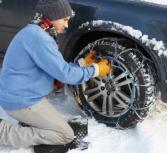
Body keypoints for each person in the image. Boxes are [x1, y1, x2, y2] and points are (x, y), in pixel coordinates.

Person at [0, 0, 111, 150]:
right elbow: (66, 75)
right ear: (52, 16)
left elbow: (55, 67)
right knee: (65, 135)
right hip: (21, 101)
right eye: (65, 20)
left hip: (22, 93)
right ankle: (5, 133)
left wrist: (83, 64)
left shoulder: (36, 31)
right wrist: (96, 70)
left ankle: (31, 122)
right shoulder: (39, 38)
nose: (66, 25)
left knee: (55, 128)